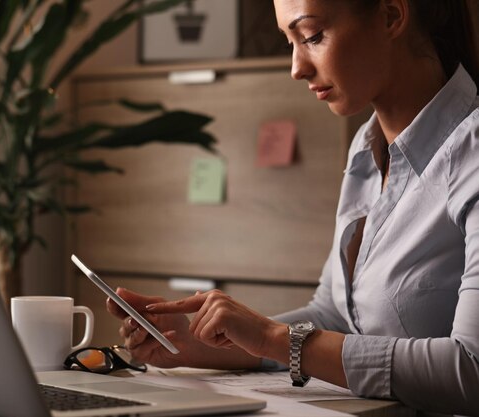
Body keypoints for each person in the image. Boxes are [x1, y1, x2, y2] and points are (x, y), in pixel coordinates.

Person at [106, 1, 479, 415]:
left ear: (392, 16)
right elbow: (335, 315)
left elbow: (471, 371)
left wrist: (271, 336)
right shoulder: (365, 150)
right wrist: (210, 342)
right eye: (290, 42)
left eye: (312, 37)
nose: (297, 67)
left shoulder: (472, 153)